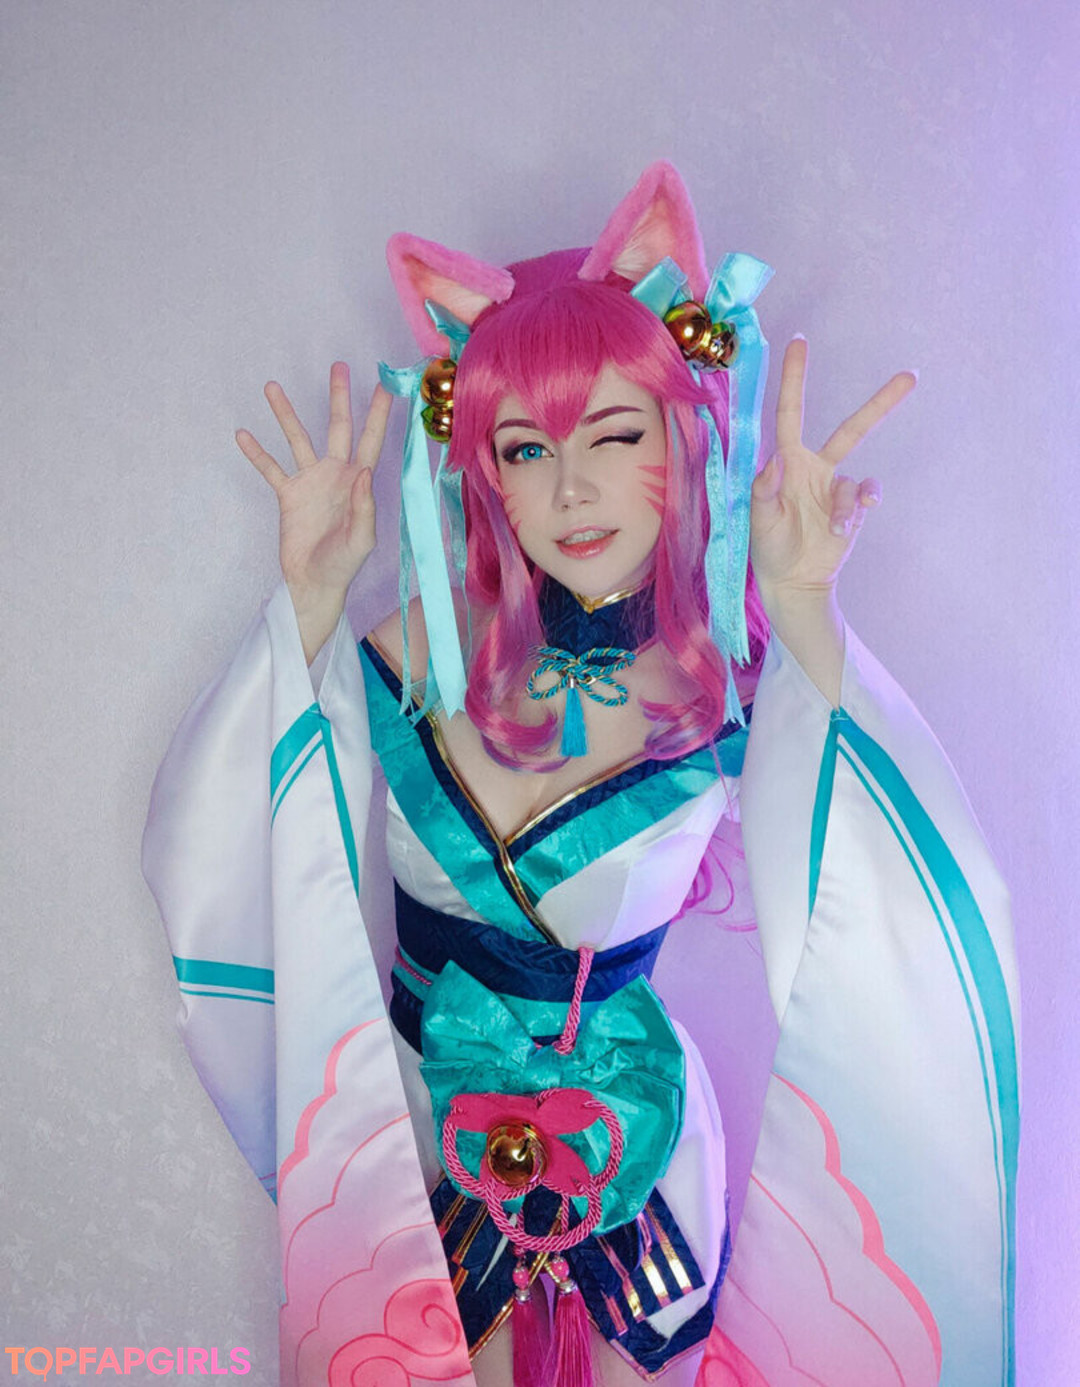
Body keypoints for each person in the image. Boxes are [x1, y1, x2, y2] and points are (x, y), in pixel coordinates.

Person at [143, 164, 1019, 1387]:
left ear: (685, 431)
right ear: (481, 468)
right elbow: (234, 846)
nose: (572, 489)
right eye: (526, 447)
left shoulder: (733, 678)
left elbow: (882, 901)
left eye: (617, 433)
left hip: (637, 1144)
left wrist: (807, 612)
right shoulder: (401, 654)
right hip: (408, 1140)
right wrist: (308, 602)